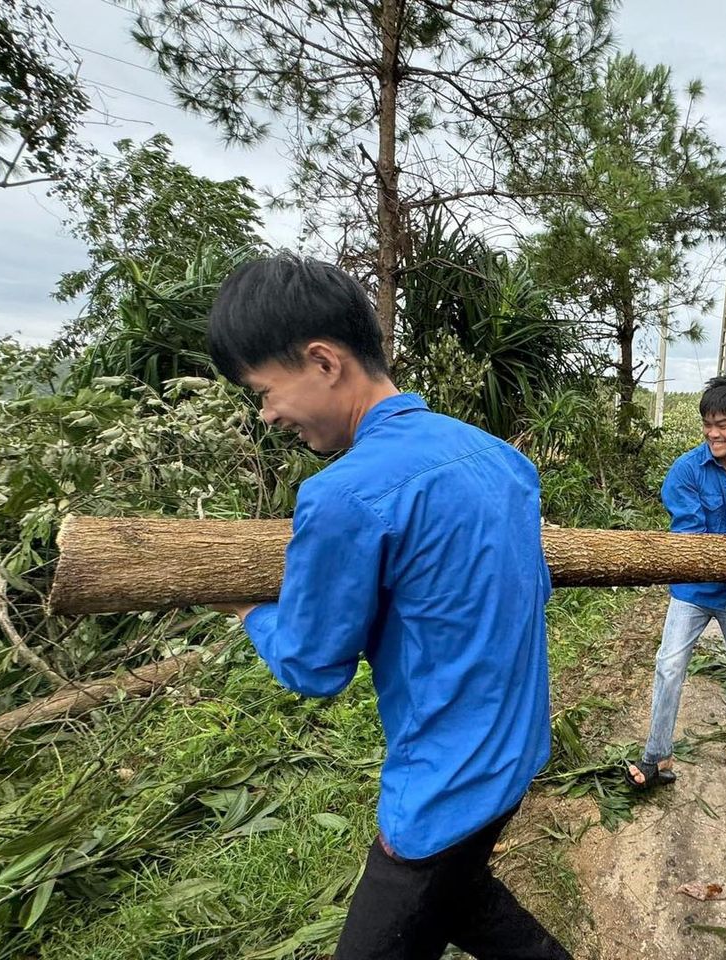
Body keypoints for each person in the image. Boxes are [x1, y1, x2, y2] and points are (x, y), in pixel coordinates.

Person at [206, 255, 568, 960]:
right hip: (515, 751)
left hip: (444, 789)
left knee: (416, 909)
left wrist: (247, 607)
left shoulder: (345, 496)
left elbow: (315, 667)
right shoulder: (500, 459)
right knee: (464, 900)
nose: (267, 414)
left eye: (264, 390)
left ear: (321, 361)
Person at [626, 377, 726, 793]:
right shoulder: (686, 470)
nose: (713, 433)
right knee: (669, 667)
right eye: (707, 425)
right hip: (692, 591)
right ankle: (657, 753)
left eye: (722, 424)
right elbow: (693, 542)